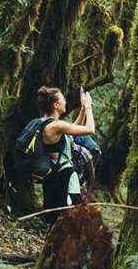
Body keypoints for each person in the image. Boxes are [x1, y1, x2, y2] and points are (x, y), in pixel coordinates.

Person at [37, 86, 95, 223]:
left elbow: (72, 130)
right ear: (56, 105)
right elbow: (90, 129)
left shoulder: (46, 123)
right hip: (64, 177)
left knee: (58, 220)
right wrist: (88, 107)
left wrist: (82, 110)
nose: (65, 101)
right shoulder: (56, 126)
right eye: (63, 98)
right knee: (69, 219)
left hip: (54, 177)